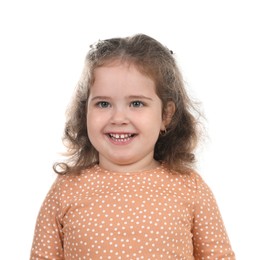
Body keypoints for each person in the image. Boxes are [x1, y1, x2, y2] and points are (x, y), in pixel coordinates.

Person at [30, 34, 235, 259]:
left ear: (165, 115)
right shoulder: (66, 189)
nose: (119, 117)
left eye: (136, 103)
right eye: (103, 103)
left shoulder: (190, 188)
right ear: (85, 111)